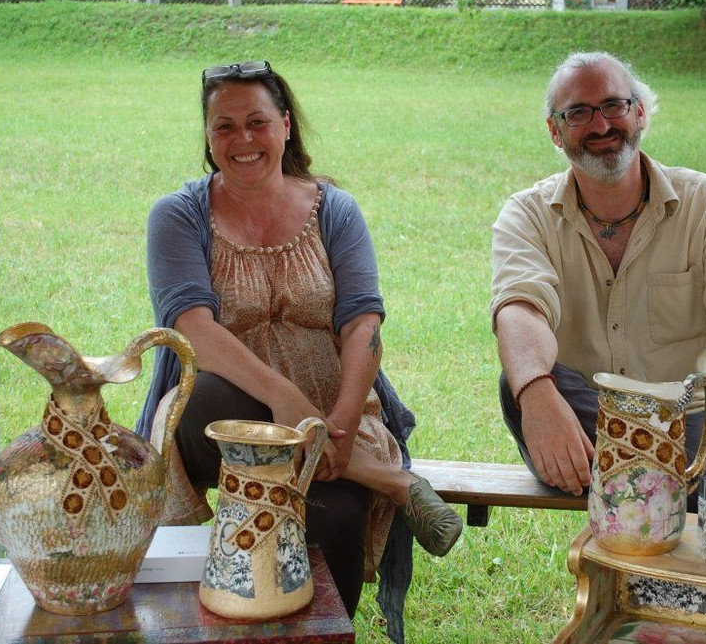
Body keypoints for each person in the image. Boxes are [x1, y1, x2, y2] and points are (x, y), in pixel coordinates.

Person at [135, 60, 462, 621]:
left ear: (286, 125)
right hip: (217, 418)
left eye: (257, 122)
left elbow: (363, 325)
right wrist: (287, 403)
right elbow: (192, 330)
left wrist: (341, 421)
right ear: (208, 137)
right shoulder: (178, 215)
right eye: (224, 126)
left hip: (334, 416)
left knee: (336, 517)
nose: (242, 140)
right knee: (202, 396)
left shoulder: (334, 210)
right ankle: (391, 480)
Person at [491, 52, 706, 497]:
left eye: (614, 105)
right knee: (523, 381)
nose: (601, 125)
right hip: (590, 419)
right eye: (578, 113)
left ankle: (644, 489)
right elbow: (520, 310)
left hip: (693, 423)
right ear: (555, 130)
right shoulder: (527, 215)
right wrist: (536, 395)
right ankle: (682, 487)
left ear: (641, 113)